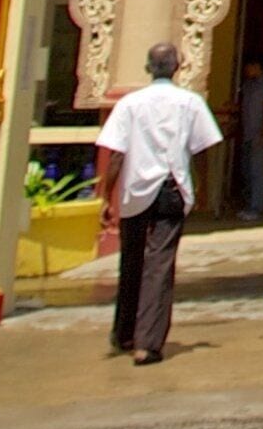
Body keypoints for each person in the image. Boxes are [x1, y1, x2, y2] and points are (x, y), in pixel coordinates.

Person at [95, 41, 222, 365]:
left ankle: (124, 332)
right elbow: (201, 149)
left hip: (135, 190)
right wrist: (203, 186)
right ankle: (147, 342)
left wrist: (104, 196)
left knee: (132, 261)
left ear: (148, 67)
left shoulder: (130, 104)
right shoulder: (190, 103)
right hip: (172, 187)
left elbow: (115, 155)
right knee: (160, 265)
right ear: (178, 67)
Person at [232, 53, 263, 219]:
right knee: (246, 170)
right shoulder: (248, 85)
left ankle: (256, 207)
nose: (246, 69)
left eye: (249, 66)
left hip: (259, 133)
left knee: (256, 170)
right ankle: (248, 205)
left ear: (259, 67)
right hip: (247, 133)